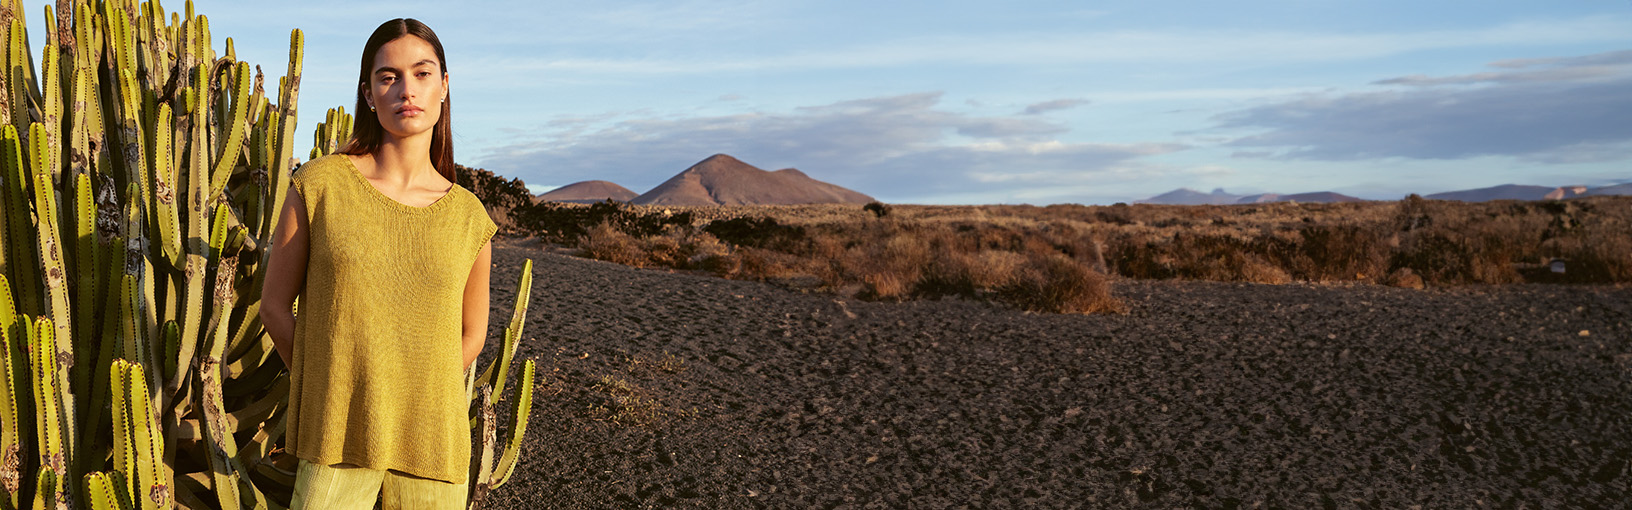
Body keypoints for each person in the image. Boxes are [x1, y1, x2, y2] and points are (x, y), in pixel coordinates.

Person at [261, 18, 495, 510]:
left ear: (444, 86)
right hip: (337, 436)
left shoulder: (468, 216)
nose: (406, 89)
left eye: (422, 73)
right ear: (368, 93)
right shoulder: (320, 186)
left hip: (433, 443)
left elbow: (472, 332)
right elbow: (275, 307)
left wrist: (416, 390)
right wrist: (324, 383)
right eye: (388, 77)